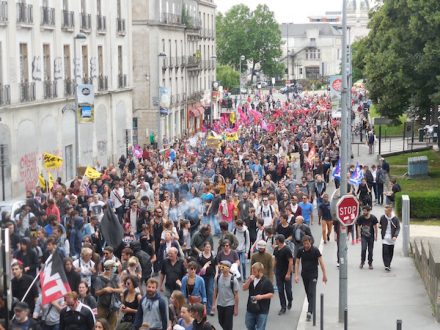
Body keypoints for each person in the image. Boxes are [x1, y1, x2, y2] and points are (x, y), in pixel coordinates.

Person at [295, 235, 328, 322]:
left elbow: (321, 262)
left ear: (311, 242)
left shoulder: (315, 250)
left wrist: (324, 275)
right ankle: (311, 306)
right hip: (304, 274)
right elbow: (297, 263)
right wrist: (296, 275)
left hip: (313, 274)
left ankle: (309, 312)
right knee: (308, 293)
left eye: (307, 243)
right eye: (304, 244)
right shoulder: (300, 250)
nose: (306, 245)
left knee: (311, 292)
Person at [243, 262, 274, 330]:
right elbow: (244, 288)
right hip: (251, 308)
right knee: (248, 325)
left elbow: (271, 294)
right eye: (252, 271)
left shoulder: (266, 281)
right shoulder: (251, 279)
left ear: (260, 271)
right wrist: (249, 280)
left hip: (262, 310)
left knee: (260, 328)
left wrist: (261, 297)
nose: (253, 273)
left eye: (254, 272)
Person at [94, 260, 124, 329]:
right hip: (102, 306)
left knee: (112, 326)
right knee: (100, 324)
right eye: (114, 267)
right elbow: (97, 293)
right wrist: (104, 290)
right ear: (110, 267)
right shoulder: (99, 278)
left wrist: (112, 290)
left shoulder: (116, 277)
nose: (115, 268)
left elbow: (121, 289)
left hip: (114, 306)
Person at [212, 260, 239, 330]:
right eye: (221, 265)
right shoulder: (217, 278)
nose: (222, 267)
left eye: (224, 266)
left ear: (229, 268)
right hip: (220, 304)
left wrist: (236, 308)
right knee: (220, 321)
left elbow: (236, 295)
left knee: (228, 324)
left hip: (229, 304)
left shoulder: (233, 280)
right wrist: (213, 304)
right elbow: (215, 291)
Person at [273, 234, 293, 315]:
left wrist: (288, 273)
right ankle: (283, 307)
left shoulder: (287, 249)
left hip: (286, 272)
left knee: (288, 290)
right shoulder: (276, 249)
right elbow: (275, 259)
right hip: (278, 273)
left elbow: (291, 261)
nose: (275, 240)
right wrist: (273, 269)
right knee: (280, 291)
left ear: (279, 240)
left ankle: (290, 299)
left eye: (276, 239)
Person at [380, 205, 400, 271]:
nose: (385, 212)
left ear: (390, 211)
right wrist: (379, 226)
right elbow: (381, 225)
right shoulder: (383, 217)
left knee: (390, 251)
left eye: (386, 211)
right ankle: (386, 265)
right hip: (385, 237)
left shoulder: (395, 218)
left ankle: (389, 263)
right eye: (384, 211)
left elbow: (398, 228)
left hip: (392, 238)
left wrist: (395, 236)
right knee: (385, 251)